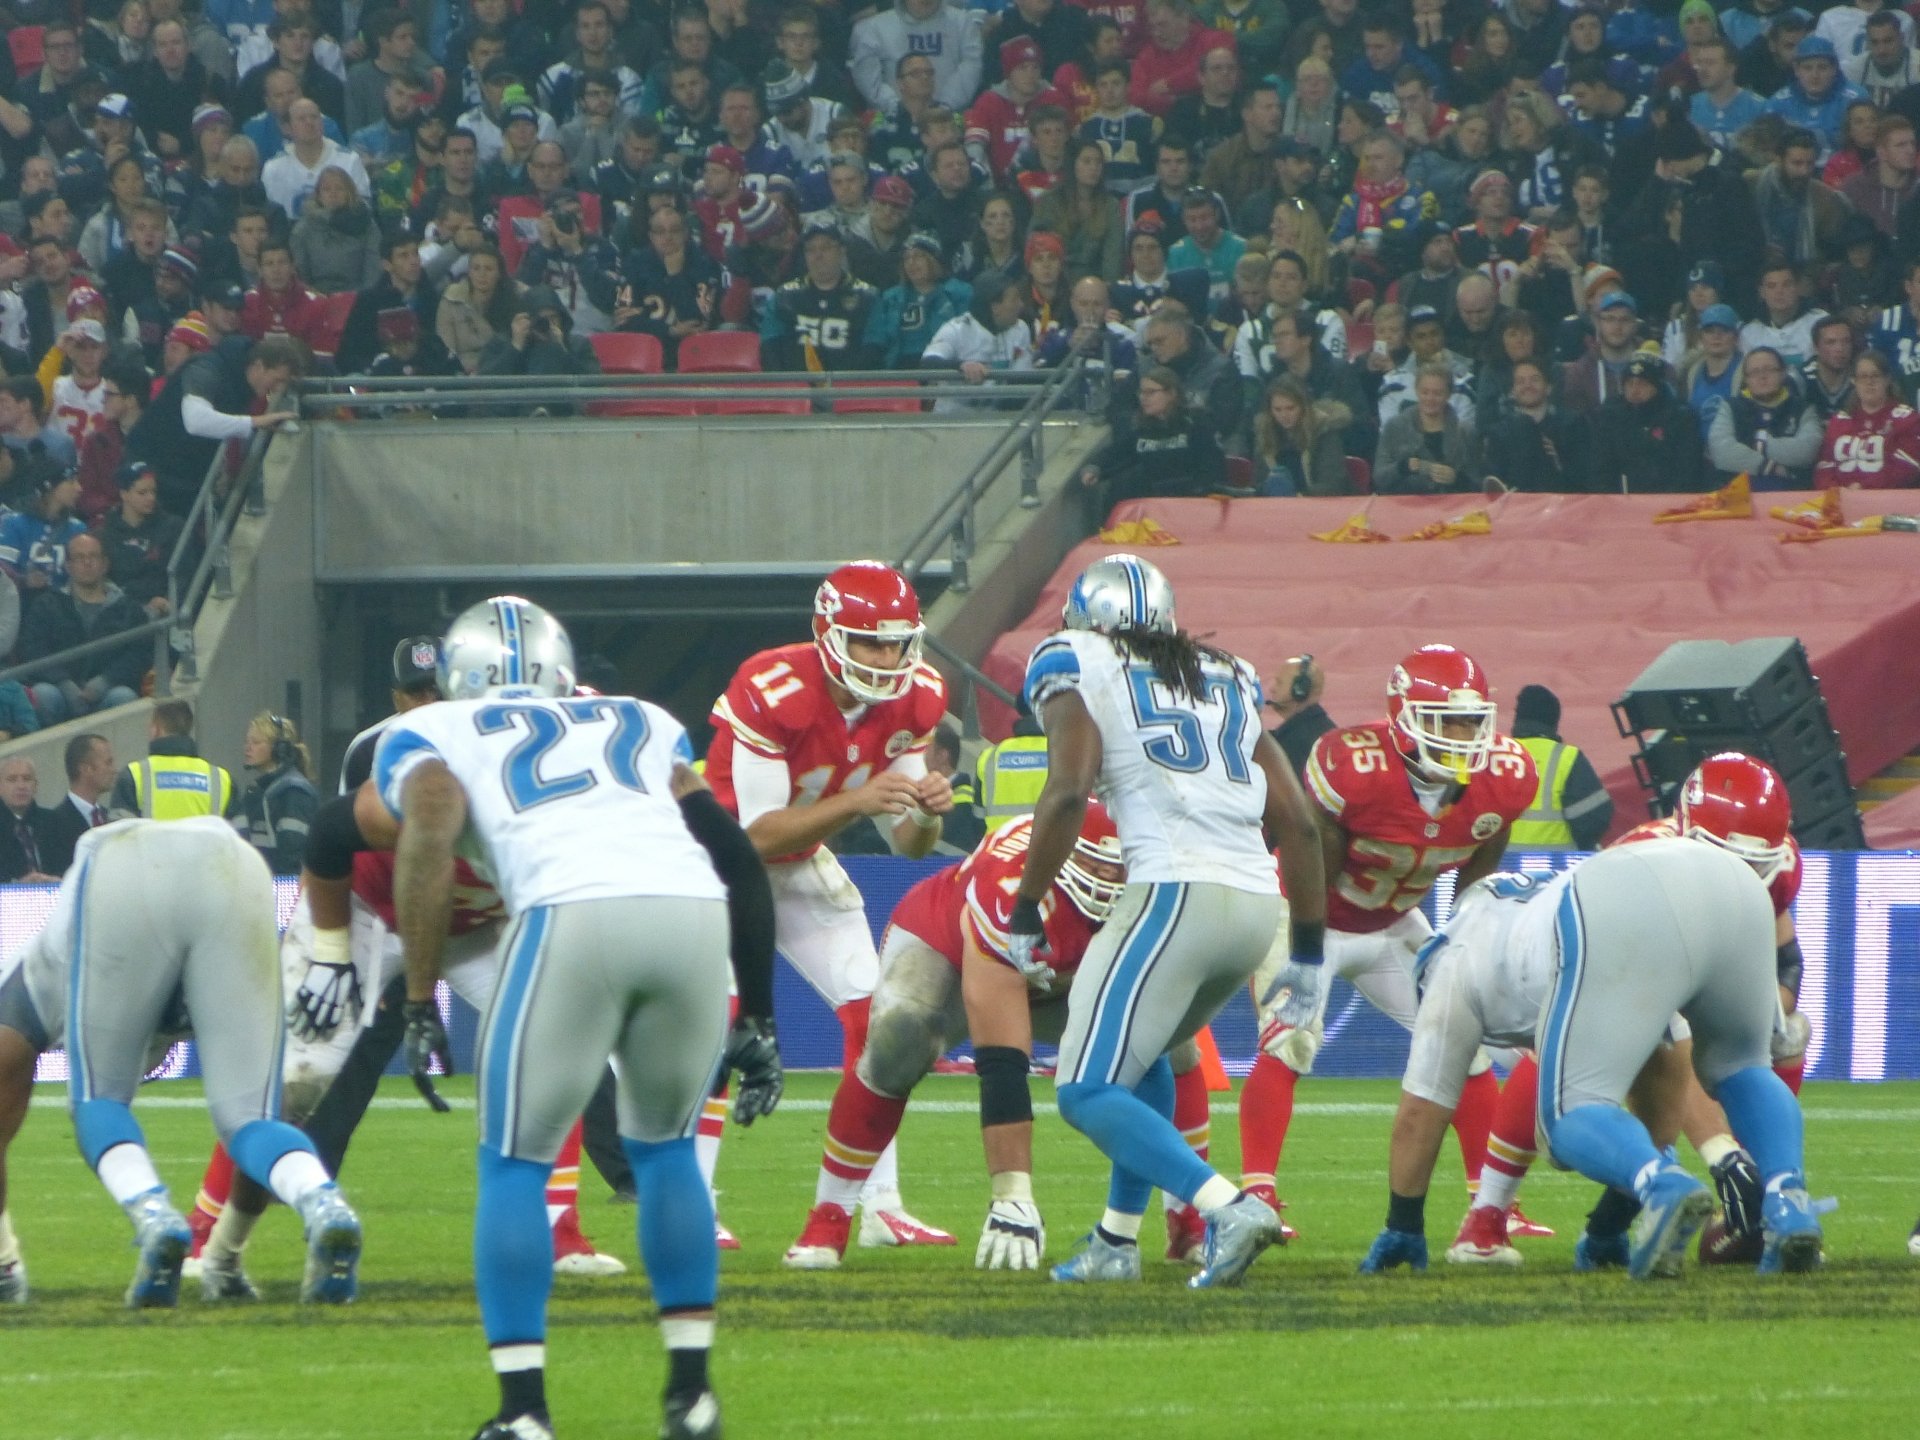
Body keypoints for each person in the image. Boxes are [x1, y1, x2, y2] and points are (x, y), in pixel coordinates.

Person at [361, 597, 780, 1440]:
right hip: (691, 913)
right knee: (665, 1155)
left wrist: (416, 999)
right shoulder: (639, 718)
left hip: (568, 914)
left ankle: (523, 1413)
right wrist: (760, 1012)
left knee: (515, 1163)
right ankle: (691, 1396)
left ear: (454, 674)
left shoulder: (434, 726)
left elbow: (430, 835)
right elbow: (731, 850)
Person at [1011, 552, 1326, 1289]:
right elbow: (1301, 826)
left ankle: (1226, 1206)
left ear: (1087, 619)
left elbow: (1066, 793)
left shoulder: (1074, 656)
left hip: (1172, 891)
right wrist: (1305, 953)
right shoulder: (1228, 673)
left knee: (1084, 1091)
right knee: (1146, 1057)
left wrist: (1028, 903)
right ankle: (1115, 1242)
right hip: (1252, 906)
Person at [1357, 839, 1824, 1279]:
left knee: (1568, 1116)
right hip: (1737, 884)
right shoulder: (1523, 910)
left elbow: (1422, 1112)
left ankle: (1659, 1185)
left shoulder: (1452, 962)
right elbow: (1663, 1104)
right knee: (1742, 1068)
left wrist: (1403, 1225)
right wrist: (1607, 1229)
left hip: (1606, 911)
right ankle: (1789, 1199)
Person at [0, 818, 365, 1308]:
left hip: (121, 868)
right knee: (252, 1120)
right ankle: (321, 1200)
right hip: (236, 868)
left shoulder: (35, 984)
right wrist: (224, 1257)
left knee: (98, 1100)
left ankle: (153, 1215)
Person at [1236, 646, 1536, 1230]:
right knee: (1289, 1040)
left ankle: (1493, 1203)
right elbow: (1314, 857)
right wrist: (1304, 948)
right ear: (1404, 717)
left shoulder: (1503, 777)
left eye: (1472, 722)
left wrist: (1458, 939)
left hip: (1393, 919)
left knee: (1463, 1039)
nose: (1461, 734)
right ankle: (1259, 1195)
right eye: (1445, 719)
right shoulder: (1353, 767)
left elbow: (1485, 857)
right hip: (1308, 915)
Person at [708, 562, 957, 1255]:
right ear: (827, 632)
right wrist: (855, 800)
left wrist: (930, 811)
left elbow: (908, 844)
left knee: (881, 1023)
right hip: (720, 871)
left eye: (896, 643)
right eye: (869, 643)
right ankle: (691, 1203)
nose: (886, 659)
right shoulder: (772, 685)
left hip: (803, 864)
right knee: (716, 1032)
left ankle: (879, 1206)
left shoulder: (917, 699)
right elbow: (754, 835)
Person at [784, 805, 1124, 1270]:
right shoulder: (1006, 886)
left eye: (1117, 864)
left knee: (1169, 1047)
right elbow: (1002, 1061)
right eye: (1092, 862)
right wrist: (1012, 1193)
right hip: (950, 945)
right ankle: (829, 1215)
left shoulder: (1157, 875)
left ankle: (1189, 1217)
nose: (1105, 876)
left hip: (1066, 974)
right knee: (900, 1042)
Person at [126, 334, 302, 517]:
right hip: (150, 475)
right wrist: (254, 422)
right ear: (258, 366)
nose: (280, 389)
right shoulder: (207, 369)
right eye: (278, 380)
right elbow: (196, 421)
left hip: (184, 480)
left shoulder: (241, 383)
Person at [14, 531, 149, 723]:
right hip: (59, 691)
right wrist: (63, 682)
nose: (87, 563)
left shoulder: (129, 609)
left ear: (105, 564)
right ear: (68, 566)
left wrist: (105, 681)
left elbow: (140, 653)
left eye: (93, 556)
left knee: (124, 697)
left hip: (109, 690)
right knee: (43, 694)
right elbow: (32, 649)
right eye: (79, 557)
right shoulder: (47, 604)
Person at [1078, 366, 1228, 506]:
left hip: (1194, 503)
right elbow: (1118, 453)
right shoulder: (1141, 428)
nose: (1143, 398)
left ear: (1171, 393)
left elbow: (1212, 464)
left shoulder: (1197, 422)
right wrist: (1095, 468)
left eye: (1150, 392)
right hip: (1154, 504)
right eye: (1141, 392)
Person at [1505, 685, 1613, 849]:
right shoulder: (1566, 758)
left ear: (1518, 718)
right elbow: (1595, 818)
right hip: (1555, 867)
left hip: (1495, 867)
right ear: (1553, 721)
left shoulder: (1496, 754)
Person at [1591, 348, 1706, 492]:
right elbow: (1601, 469)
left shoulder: (1680, 416)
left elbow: (1687, 470)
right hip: (1622, 502)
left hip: (1668, 501)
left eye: (1642, 383)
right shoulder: (1610, 414)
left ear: (1656, 386)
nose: (1634, 390)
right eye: (1629, 383)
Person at [1708, 346, 1823, 488]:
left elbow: (1807, 451)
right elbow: (1722, 452)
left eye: (1769, 369)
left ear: (1783, 373)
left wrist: (1756, 443)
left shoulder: (1803, 408)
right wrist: (1768, 466)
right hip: (1736, 496)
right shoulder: (1730, 407)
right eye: (1754, 372)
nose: (1762, 376)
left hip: (1792, 496)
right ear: (1746, 379)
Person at [108, 698, 237, 821]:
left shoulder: (133, 776)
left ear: (156, 729)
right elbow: (239, 836)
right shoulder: (221, 779)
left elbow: (119, 835)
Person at [1813, 348, 1920, 487]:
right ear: (1853, 381)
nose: (1870, 382)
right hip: (1840, 500)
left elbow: (1907, 466)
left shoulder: (1907, 419)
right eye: (1863, 376)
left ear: (1887, 379)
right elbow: (1825, 466)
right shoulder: (1839, 421)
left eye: (1875, 375)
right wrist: (1837, 491)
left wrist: (1864, 488)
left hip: (1887, 501)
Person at [1375, 362, 1482, 493]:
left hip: (1453, 507)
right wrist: (1403, 467)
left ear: (1449, 394)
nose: (1430, 399)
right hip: (1406, 505)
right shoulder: (1394, 427)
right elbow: (1379, 478)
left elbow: (1478, 483)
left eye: (1437, 393)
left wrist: (1457, 478)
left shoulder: (1466, 432)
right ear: (1416, 391)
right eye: (1425, 392)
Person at [236, 710, 320, 875]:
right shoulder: (257, 791)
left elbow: (292, 858)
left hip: (282, 891)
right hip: (261, 887)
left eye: (256, 742)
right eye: (247, 741)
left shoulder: (293, 791)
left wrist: (282, 896)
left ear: (279, 749)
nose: (248, 747)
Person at [1253, 374, 1351, 496]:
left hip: (1321, 506)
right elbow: (1258, 483)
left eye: (1290, 408)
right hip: (1278, 508)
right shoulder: (1265, 435)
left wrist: (1297, 496)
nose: (1284, 415)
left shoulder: (1323, 432)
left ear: (1303, 407)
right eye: (1277, 410)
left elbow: (1332, 484)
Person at [39, 733, 117, 876]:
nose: (114, 770)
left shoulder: (112, 818)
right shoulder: (53, 825)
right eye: (108, 763)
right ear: (86, 769)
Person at [1263, 655, 1334, 776]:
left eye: (1279, 683)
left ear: (1299, 691)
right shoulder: (1326, 729)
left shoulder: (1293, 743)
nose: (1273, 689)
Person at [0, 757, 61, 884]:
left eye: (27, 779)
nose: (21, 786)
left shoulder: (54, 821)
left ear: (36, 786)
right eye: (12, 780)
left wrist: (58, 880)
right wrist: (16, 886)